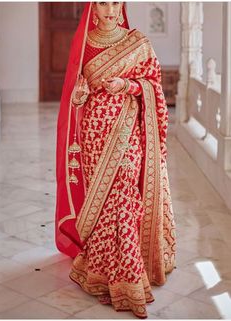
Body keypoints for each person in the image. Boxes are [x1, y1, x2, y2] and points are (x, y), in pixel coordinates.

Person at [55, 2, 176, 319]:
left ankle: (131, 281)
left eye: (116, 1)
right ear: (93, 8)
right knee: (105, 203)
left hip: (127, 131)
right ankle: (102, 273)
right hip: (94, 132)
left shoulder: (137, 41)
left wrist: (128, 85)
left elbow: (153, 85)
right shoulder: (83, 43)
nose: (110, 8)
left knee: (124, 198)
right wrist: (80, 95)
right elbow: (76, 95)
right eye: (104, 2)